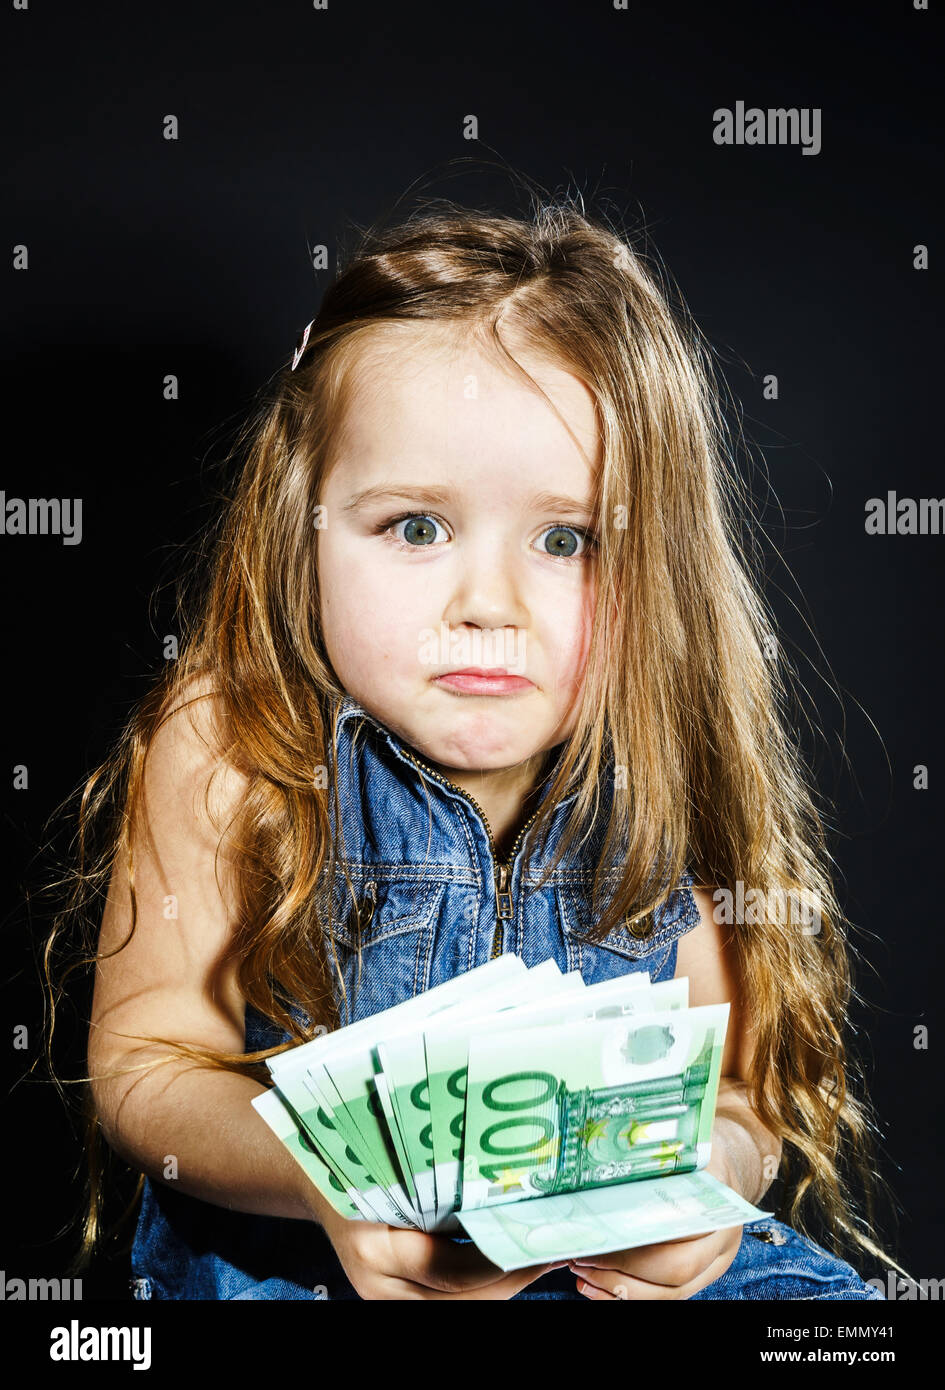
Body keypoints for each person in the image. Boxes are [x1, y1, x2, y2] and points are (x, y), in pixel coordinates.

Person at [46, 197, 901, 1299]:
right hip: (306, 1253)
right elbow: (146, 1069)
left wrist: (709, 1183)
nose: (488, 604)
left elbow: (738, 1093)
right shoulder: (231, 743)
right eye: (416, 528)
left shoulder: (656, 756)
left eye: (567, 539)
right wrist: (331, 1172)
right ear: (301, 519)